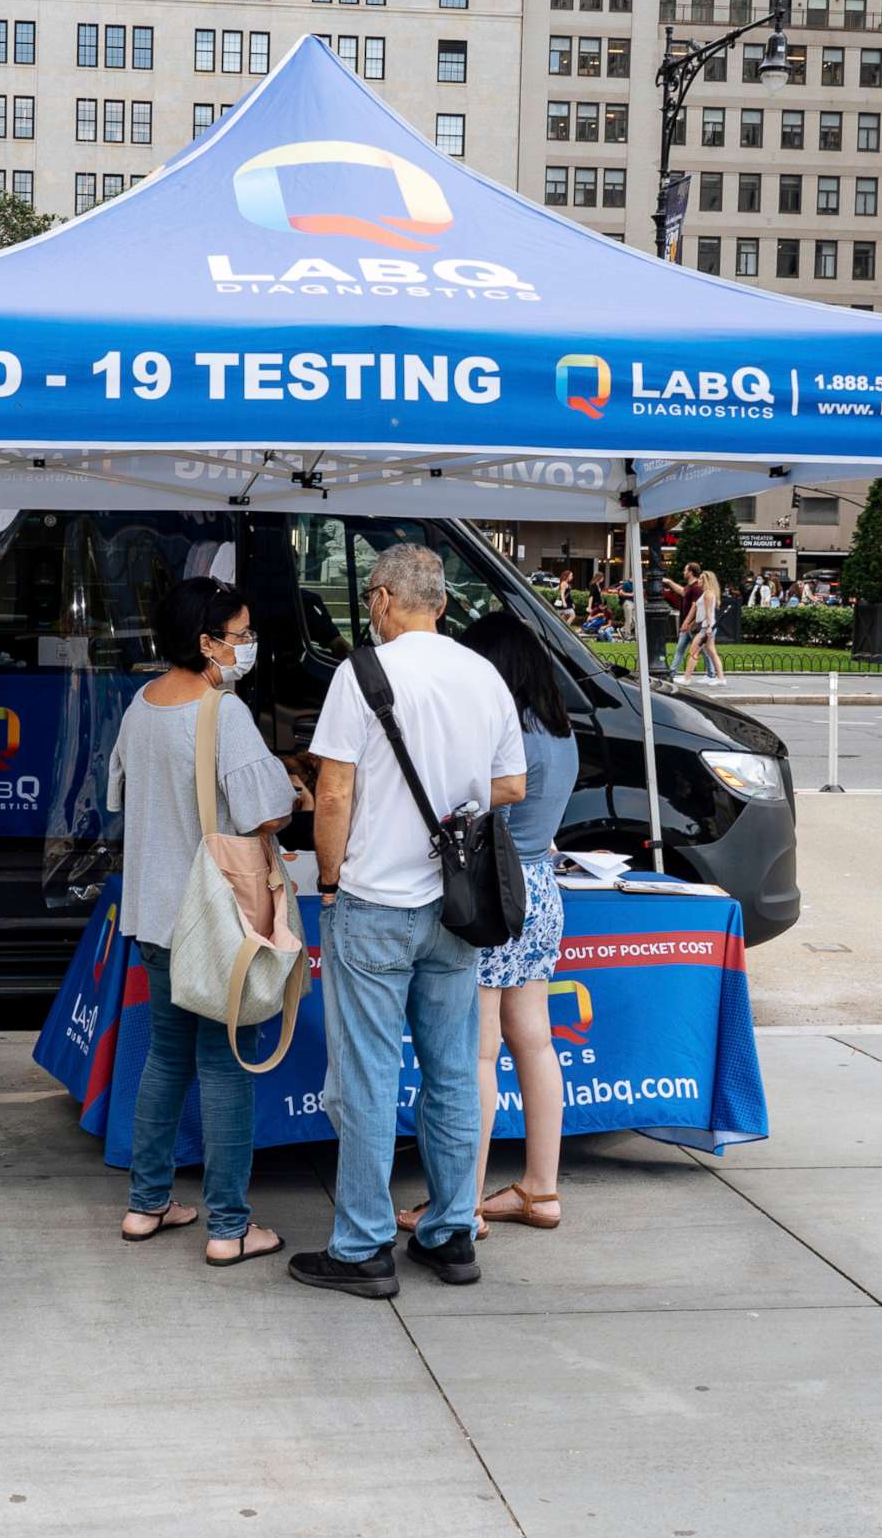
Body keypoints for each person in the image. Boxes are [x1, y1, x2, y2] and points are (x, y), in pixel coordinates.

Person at [293, 544, 526, 1299]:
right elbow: (511, 784)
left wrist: (329, 882)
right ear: (443, 605)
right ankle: (451, 1233)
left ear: (386, 599)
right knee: (454, 1071)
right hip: (457, 909)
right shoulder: (483, 674)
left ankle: (362, 1247)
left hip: (373, 903)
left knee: (367, 1077)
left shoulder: (360, 674)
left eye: (370, 598)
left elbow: (332, 796)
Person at [107, 576, 298, 1267]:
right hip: (214, 920)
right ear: (207, 642)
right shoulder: (223, 713)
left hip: (154, 916)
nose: (248, 646)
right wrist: (295, 787)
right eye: (241, 635)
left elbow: (121, 791)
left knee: (165, 1056)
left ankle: (146, 1204)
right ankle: (229, 1226)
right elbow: (266, 811)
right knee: (224, 1068)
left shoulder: (142, 704)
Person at [396, 614, 576, 1240]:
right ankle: (540, 1190)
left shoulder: (501, 733)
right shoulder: (560, 731)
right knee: (536, 1041)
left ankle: (462, 1205)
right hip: (543, 892)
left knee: (478, 1050)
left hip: (496, 895)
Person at [676, 570, 727, 684]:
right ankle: (721, 679)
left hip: (706, 628)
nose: (698, 580)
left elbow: (708, 613)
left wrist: (708, 627)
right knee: (712, 653)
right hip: (707, 627)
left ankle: (686, 678)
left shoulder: (708, 594)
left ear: (707, 581)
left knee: (693, 652)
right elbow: (703, 613)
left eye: (701, 579)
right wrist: (694, 624)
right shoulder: (707, 593)